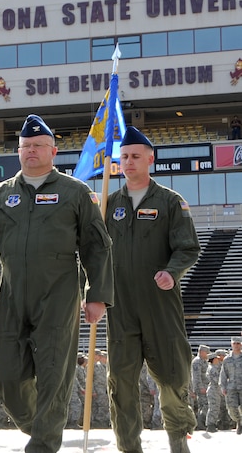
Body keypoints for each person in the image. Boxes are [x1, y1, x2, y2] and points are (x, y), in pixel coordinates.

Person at [0, 114, 114, 453]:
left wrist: (97, 295)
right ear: (18, 151)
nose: (31, 151)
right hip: (12, 294)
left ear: (53, 151)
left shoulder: (75, 192)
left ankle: (43, 443)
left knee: (53, 373)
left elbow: (96, 245)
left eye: (38, 146)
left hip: (58, 294)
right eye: (25, 146)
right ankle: (41, 425)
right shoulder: (0, 195)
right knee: (6, 377)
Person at [104, 126, 201, 453]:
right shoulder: (108, 204)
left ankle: (177, 439)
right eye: (124, 157)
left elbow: (188, 247)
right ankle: (129, 447)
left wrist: (172, 273)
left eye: (135, 156)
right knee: (122, 384)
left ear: (150, 159)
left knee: (173, 376)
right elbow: (93, 253)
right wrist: (91, 292)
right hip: (120, 309)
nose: (128, 162)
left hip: (160, 306)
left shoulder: (171, 202)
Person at [219, 336, 242, 434]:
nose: (236, 345)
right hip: (231, 387)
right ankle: (239, 421)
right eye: (234, 344)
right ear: (231, 345)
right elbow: (223, 374)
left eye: (238, 343)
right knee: (232, 408)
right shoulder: (227, 359)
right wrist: (223, 387)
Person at [191, 345, 210, 430]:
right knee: (203, 406)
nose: (207, 354)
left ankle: (203, 423)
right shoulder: (197, 362)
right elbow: (196, 377)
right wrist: (200, 387)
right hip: (201, 388)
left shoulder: (204, 361)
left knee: (205, 405)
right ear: (201, 352)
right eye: (206, 352)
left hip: (206, 387)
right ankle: (200, 424)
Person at [205, 351, 223, 432]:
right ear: (213, 359)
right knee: (213, 408)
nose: (218, 360)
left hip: (215, 390)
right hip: (213, 390)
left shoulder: (214, 367)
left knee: (215, 408)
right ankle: (210, 425)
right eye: (217, 359)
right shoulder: (213, 369)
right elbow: (217, 380)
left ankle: (212, 424)